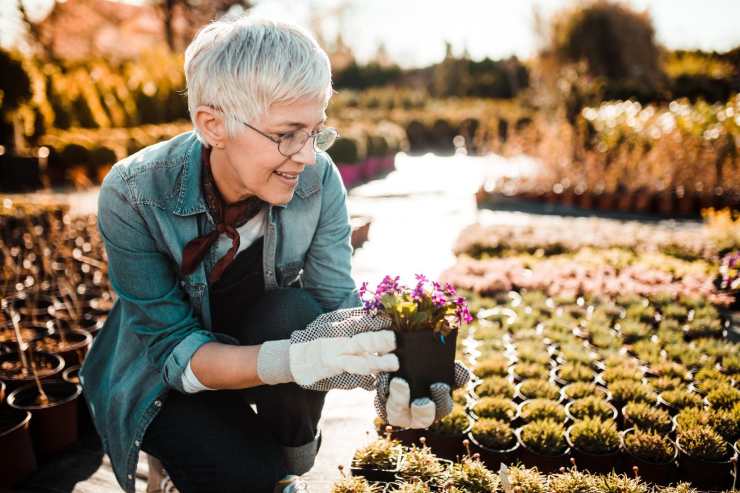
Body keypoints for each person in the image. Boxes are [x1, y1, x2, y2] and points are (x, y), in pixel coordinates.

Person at [79, 15, 469, 493]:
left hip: (261, 337)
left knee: (295, 312)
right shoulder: (134, 192)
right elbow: (172, 353)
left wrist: (391, 375)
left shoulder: (318, 178)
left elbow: (333, 307)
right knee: (243, 475)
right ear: (213, 124)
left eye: (315, 132)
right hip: (161, 377)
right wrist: (294, 362)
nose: (307, 155)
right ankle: (204, 462)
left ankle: (280, 467)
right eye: (287, 134)